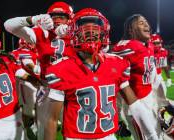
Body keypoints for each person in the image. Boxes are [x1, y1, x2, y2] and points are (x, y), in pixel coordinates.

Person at [44, 8, 158, 140]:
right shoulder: (62, 68)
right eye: (84, 26)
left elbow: (135, 105)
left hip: (109, 136)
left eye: (96, 27)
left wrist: (151, 135)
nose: (91, 32)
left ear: (104, 33)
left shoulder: (116, 63)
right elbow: (52, 119)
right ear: (73, 33)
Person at [4, 1, 76, 139]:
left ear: (70, 18)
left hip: (71, 87)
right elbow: (8, 25)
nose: (57, 20)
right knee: (44, 128)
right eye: (54, 17)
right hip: (47, 87)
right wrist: (34, 19)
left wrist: (73, 31)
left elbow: (102, 48)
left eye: (62, 16)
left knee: (73, 129)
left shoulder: (75, 33)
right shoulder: (40, 33)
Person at [111, 14, 164, 139]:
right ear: (131, 29)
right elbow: (114, 78)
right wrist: (117, 119)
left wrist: (162, 101)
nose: (147, 25)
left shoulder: (149, 45)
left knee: (159, 135)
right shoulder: (127, 46)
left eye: (146, 22)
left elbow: (152, 75)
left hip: (151, 98)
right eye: (141, 23)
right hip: (136, 104)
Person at [11, 38, 40, 138]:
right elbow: (28, 64)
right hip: (25, 82)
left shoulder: (31, 51)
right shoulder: (23, 52)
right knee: (27, 110)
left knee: (35, 106)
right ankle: (26, 129)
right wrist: (38, 70)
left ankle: (34, 126)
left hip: (31, 81)